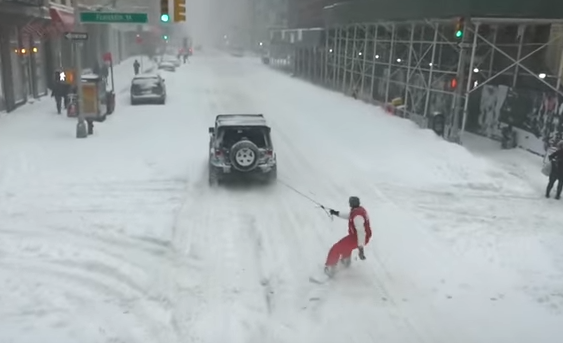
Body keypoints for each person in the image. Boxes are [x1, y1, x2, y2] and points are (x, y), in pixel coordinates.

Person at [324, 196, 372, 277]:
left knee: (336, 248)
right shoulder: (358, 211)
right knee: (345, 246)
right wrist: (336, 213)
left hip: (359, 238)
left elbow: (361, 232)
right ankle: (346, 260)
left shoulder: (358, 216)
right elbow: (350, 216)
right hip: (358, 237)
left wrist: (361, 249)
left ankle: (330, 268)